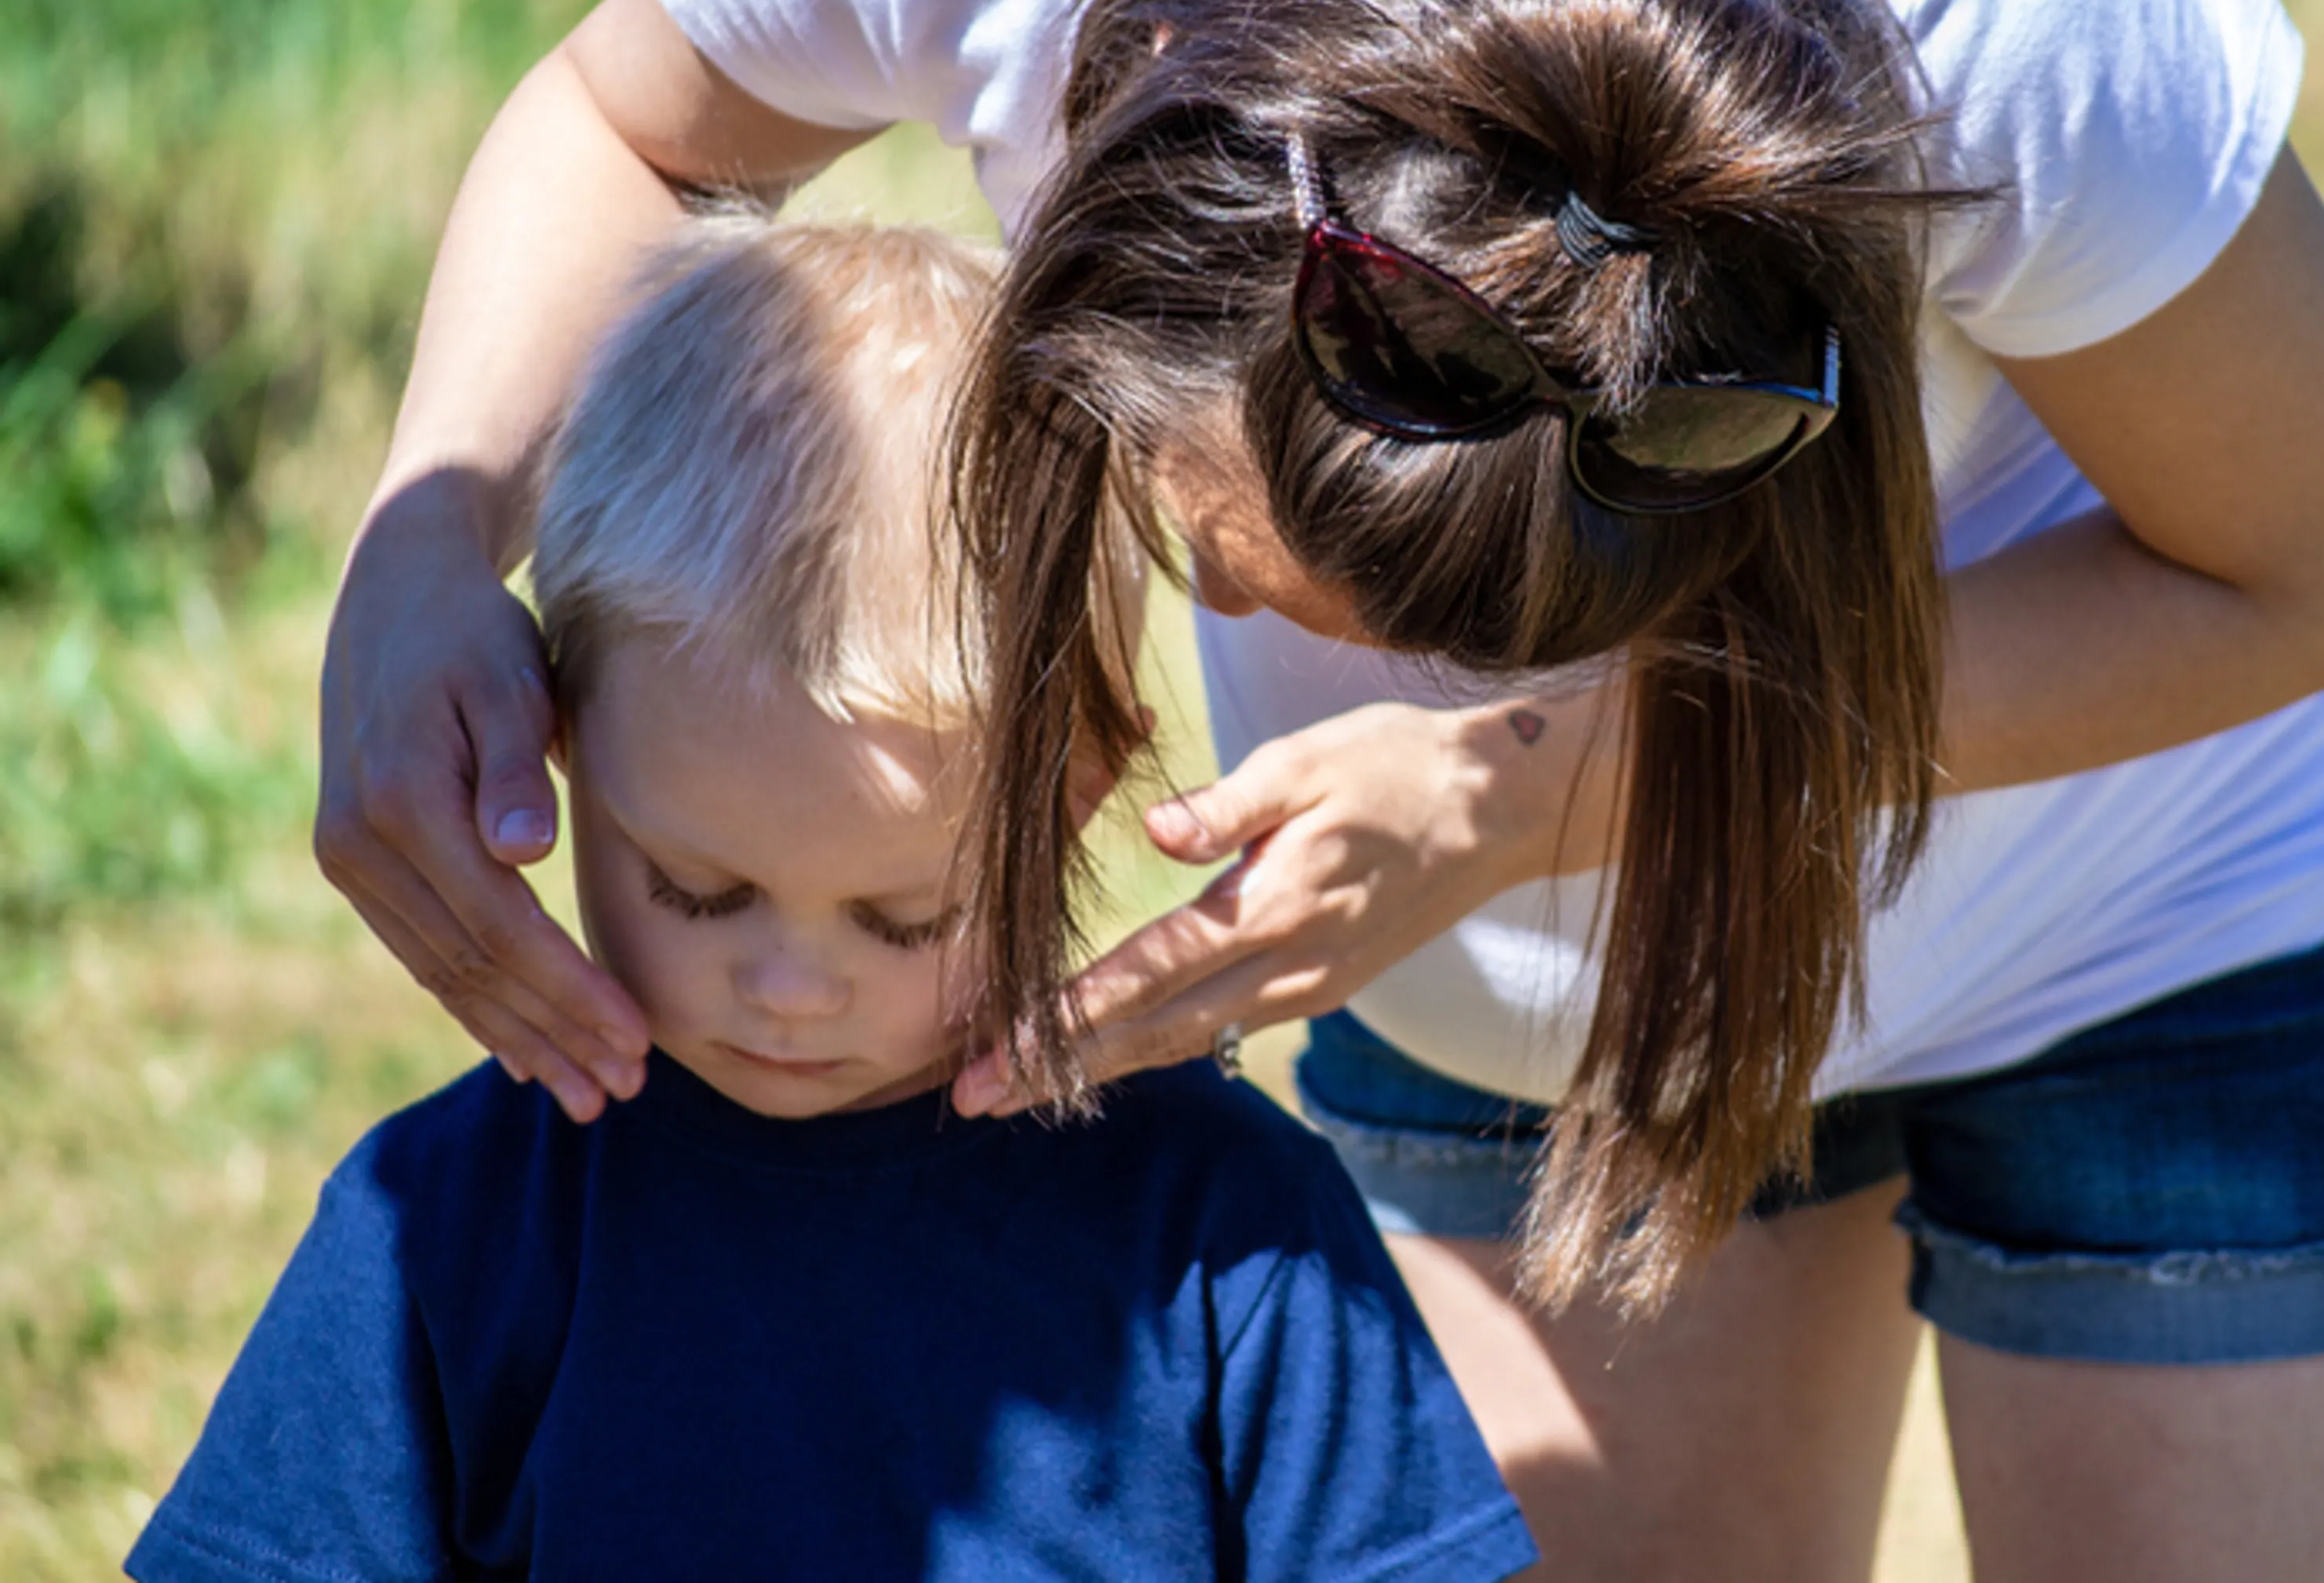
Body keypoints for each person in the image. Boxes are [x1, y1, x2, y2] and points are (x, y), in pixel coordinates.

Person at [309, 0, 2324, 1578]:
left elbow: (2315, 573)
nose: (1287, 667)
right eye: (1233, 560)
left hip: (2184, 914)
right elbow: (638, 120)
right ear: (1106, 200)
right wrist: (428, 538)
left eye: (1490, 644)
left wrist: (1521, 790)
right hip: (1534, 1000)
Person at [155, 214, 1536, 1583]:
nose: (792, 985)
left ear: (1083, 785)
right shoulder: (452, 1226)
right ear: (556, 733)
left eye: (906, 919)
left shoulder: (1228, 1231)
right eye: (697, 890)